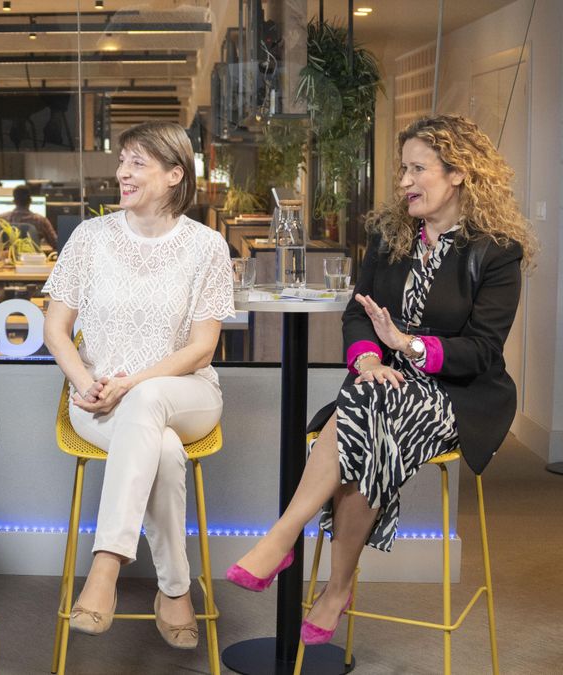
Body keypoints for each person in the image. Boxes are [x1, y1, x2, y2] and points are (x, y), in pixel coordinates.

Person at [227, 114, 538, 646]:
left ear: (459, 172)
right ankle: (334, 586)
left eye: (417, 169)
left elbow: (483, 352)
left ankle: (286, 539)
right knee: (373, 406)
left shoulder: (496, 250)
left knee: (371, 410)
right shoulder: (390, 234)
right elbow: (357, 312)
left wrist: (407, 345)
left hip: (458, 394)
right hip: (384, 384)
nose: (404, 183)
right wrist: (370, 359)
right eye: (402, 171)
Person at [42, 120, 234, 648]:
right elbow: (55, 330)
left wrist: (131, 385)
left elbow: (201, 348)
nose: (122, 173)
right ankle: (174, 589)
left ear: (175, 174)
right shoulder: (90, 237)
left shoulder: (206, 247)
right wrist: (85, 381)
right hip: (96, 400)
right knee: (165, 451)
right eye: (122, 160)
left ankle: (104, 566)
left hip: (187, 393)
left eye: (137, 163)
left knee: (149, 399)